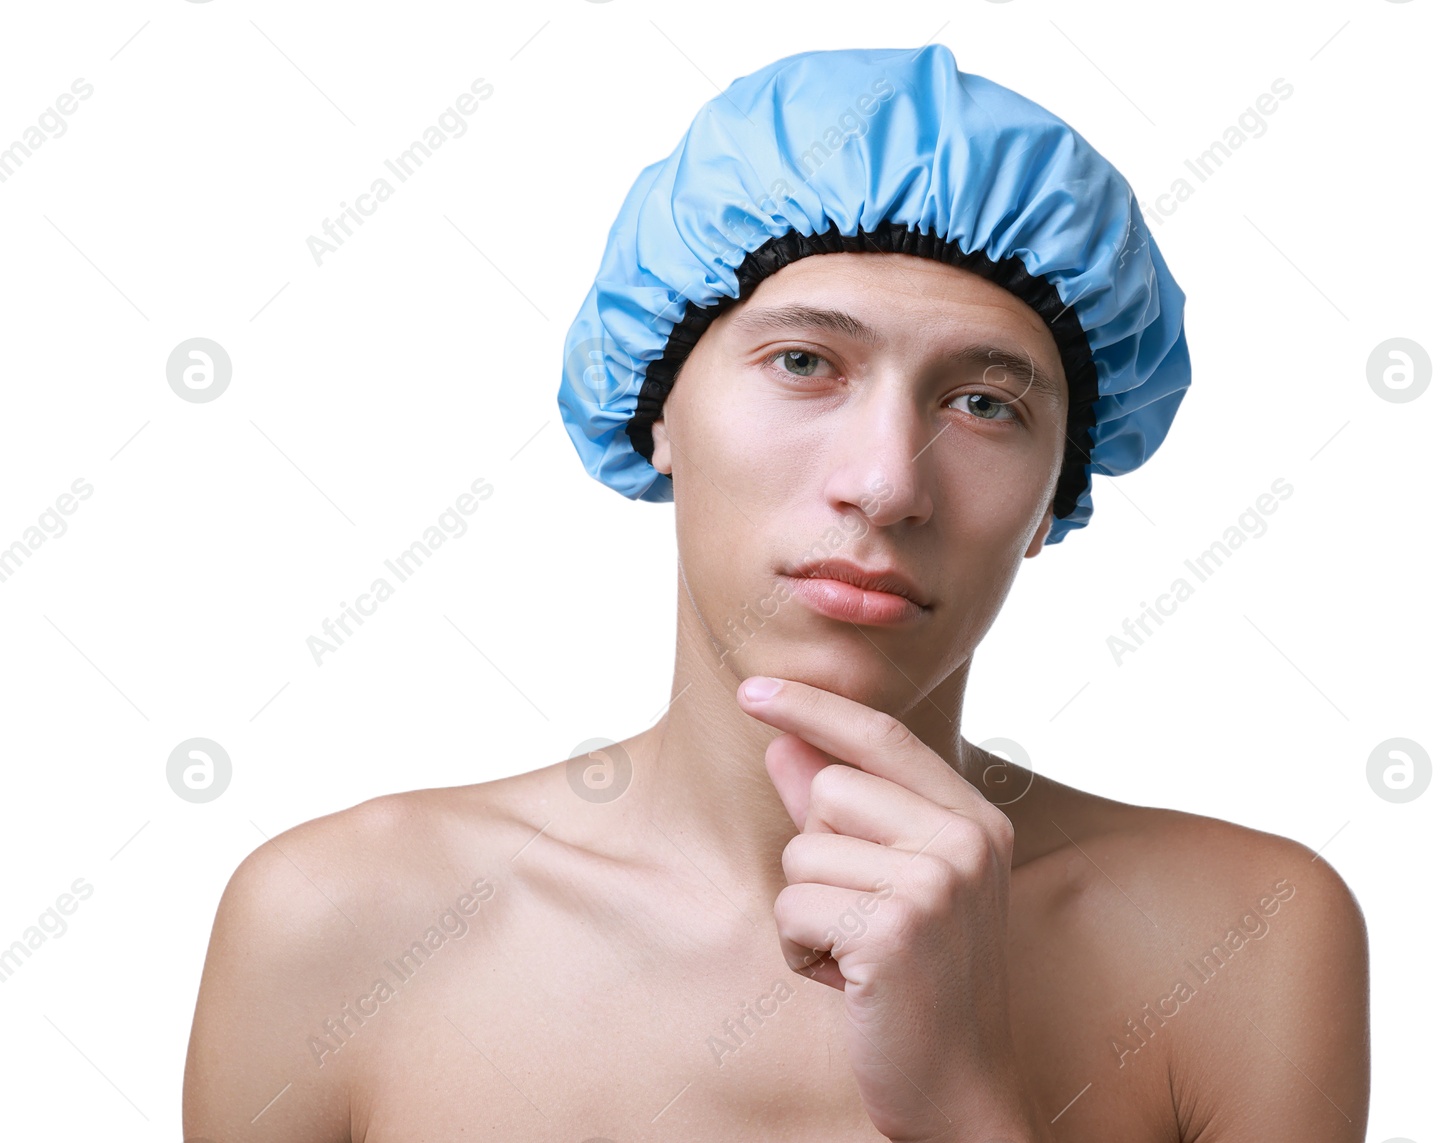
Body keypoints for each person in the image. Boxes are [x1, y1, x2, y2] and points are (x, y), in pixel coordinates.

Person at [184, 44, 1369, 1142]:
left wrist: (959, 1102)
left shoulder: (1246, 940)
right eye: (805, 363)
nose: (885, 483)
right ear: (655, 410)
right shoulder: (336, 927)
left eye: (985, 402)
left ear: (1057, 496)